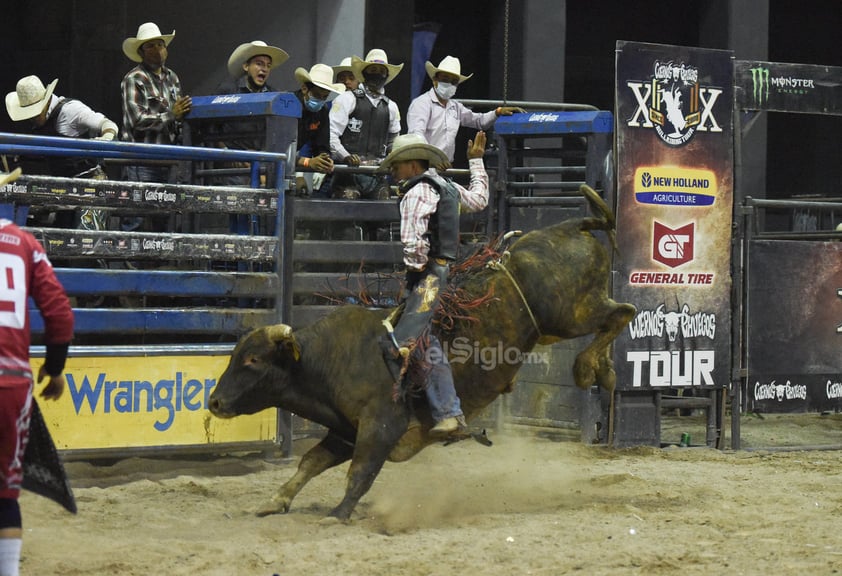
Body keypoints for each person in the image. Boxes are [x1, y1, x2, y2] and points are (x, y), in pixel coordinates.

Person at [378, 131, 489, 437]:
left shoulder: (416, 192)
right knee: (423, 340)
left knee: (403, 343)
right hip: (445, 270)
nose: (393, 172)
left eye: (396, 166)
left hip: (427, 276)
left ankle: (439, 413)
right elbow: (479, 200)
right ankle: (436, 411)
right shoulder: (447, 185)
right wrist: (476, 162)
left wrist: (415, 272)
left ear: (412, 165)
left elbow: (413, 241)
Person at [0, 167, 74, 576]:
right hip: (11, 383)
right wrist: (56, 368)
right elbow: (59, 314)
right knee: (5, 490)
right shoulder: (24, 243)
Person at [5, 75, 118, 227]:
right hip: (62, 186)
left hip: (90, 181)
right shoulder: (41, 122)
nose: (32, 118)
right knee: (63, 236)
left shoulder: (71, 110)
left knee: (88, 236)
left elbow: (106, 123)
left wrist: (106, 138)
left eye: (35, 113)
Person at [407, 55, 525, 166]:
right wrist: (432, 160)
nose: (449, 84)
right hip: (422, 167)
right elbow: (416, 136)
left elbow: (479, 121)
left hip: (444, 169)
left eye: (453, 82)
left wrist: (497, 112)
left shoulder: (455, 107)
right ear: (434, 80)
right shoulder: (422, 103)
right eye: (445, 79)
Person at [120, 22, 192, 183]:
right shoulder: (134, 78)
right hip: (142, 159)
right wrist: (172, 115)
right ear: (141, 52)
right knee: (144, 205)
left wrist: (180, 116)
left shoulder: (172, 77)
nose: (157, 50)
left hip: (169, 158)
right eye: (150, 46)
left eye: (160, 45)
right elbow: (136, 120)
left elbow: (178, 116)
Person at [329, 49, 403, 199]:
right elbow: (331, 134)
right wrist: (345, 156)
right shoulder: (347, 99)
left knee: (382, 214)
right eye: (373, 70)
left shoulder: (391, 107)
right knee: (346, 209)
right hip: (347, 173)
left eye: (381, 71)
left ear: (386, 75)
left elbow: (394, 142)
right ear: (364, 73)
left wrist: (391, 160)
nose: (377, 73)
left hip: (377, 175)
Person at [292, 63, 345, 196]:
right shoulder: (287, 105)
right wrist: (307, 163)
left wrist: (325, 160)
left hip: (289, 163)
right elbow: (278, 150)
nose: (320, 101)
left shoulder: (322, 111)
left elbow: (322, 145)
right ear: (304, 89)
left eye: (324, 97)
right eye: (317, 95)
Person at [215, 40, 288, 95]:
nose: (265, 69)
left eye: (268, 66)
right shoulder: (228, 90)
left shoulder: (273, 94)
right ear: (246, 66)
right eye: (259, 64)